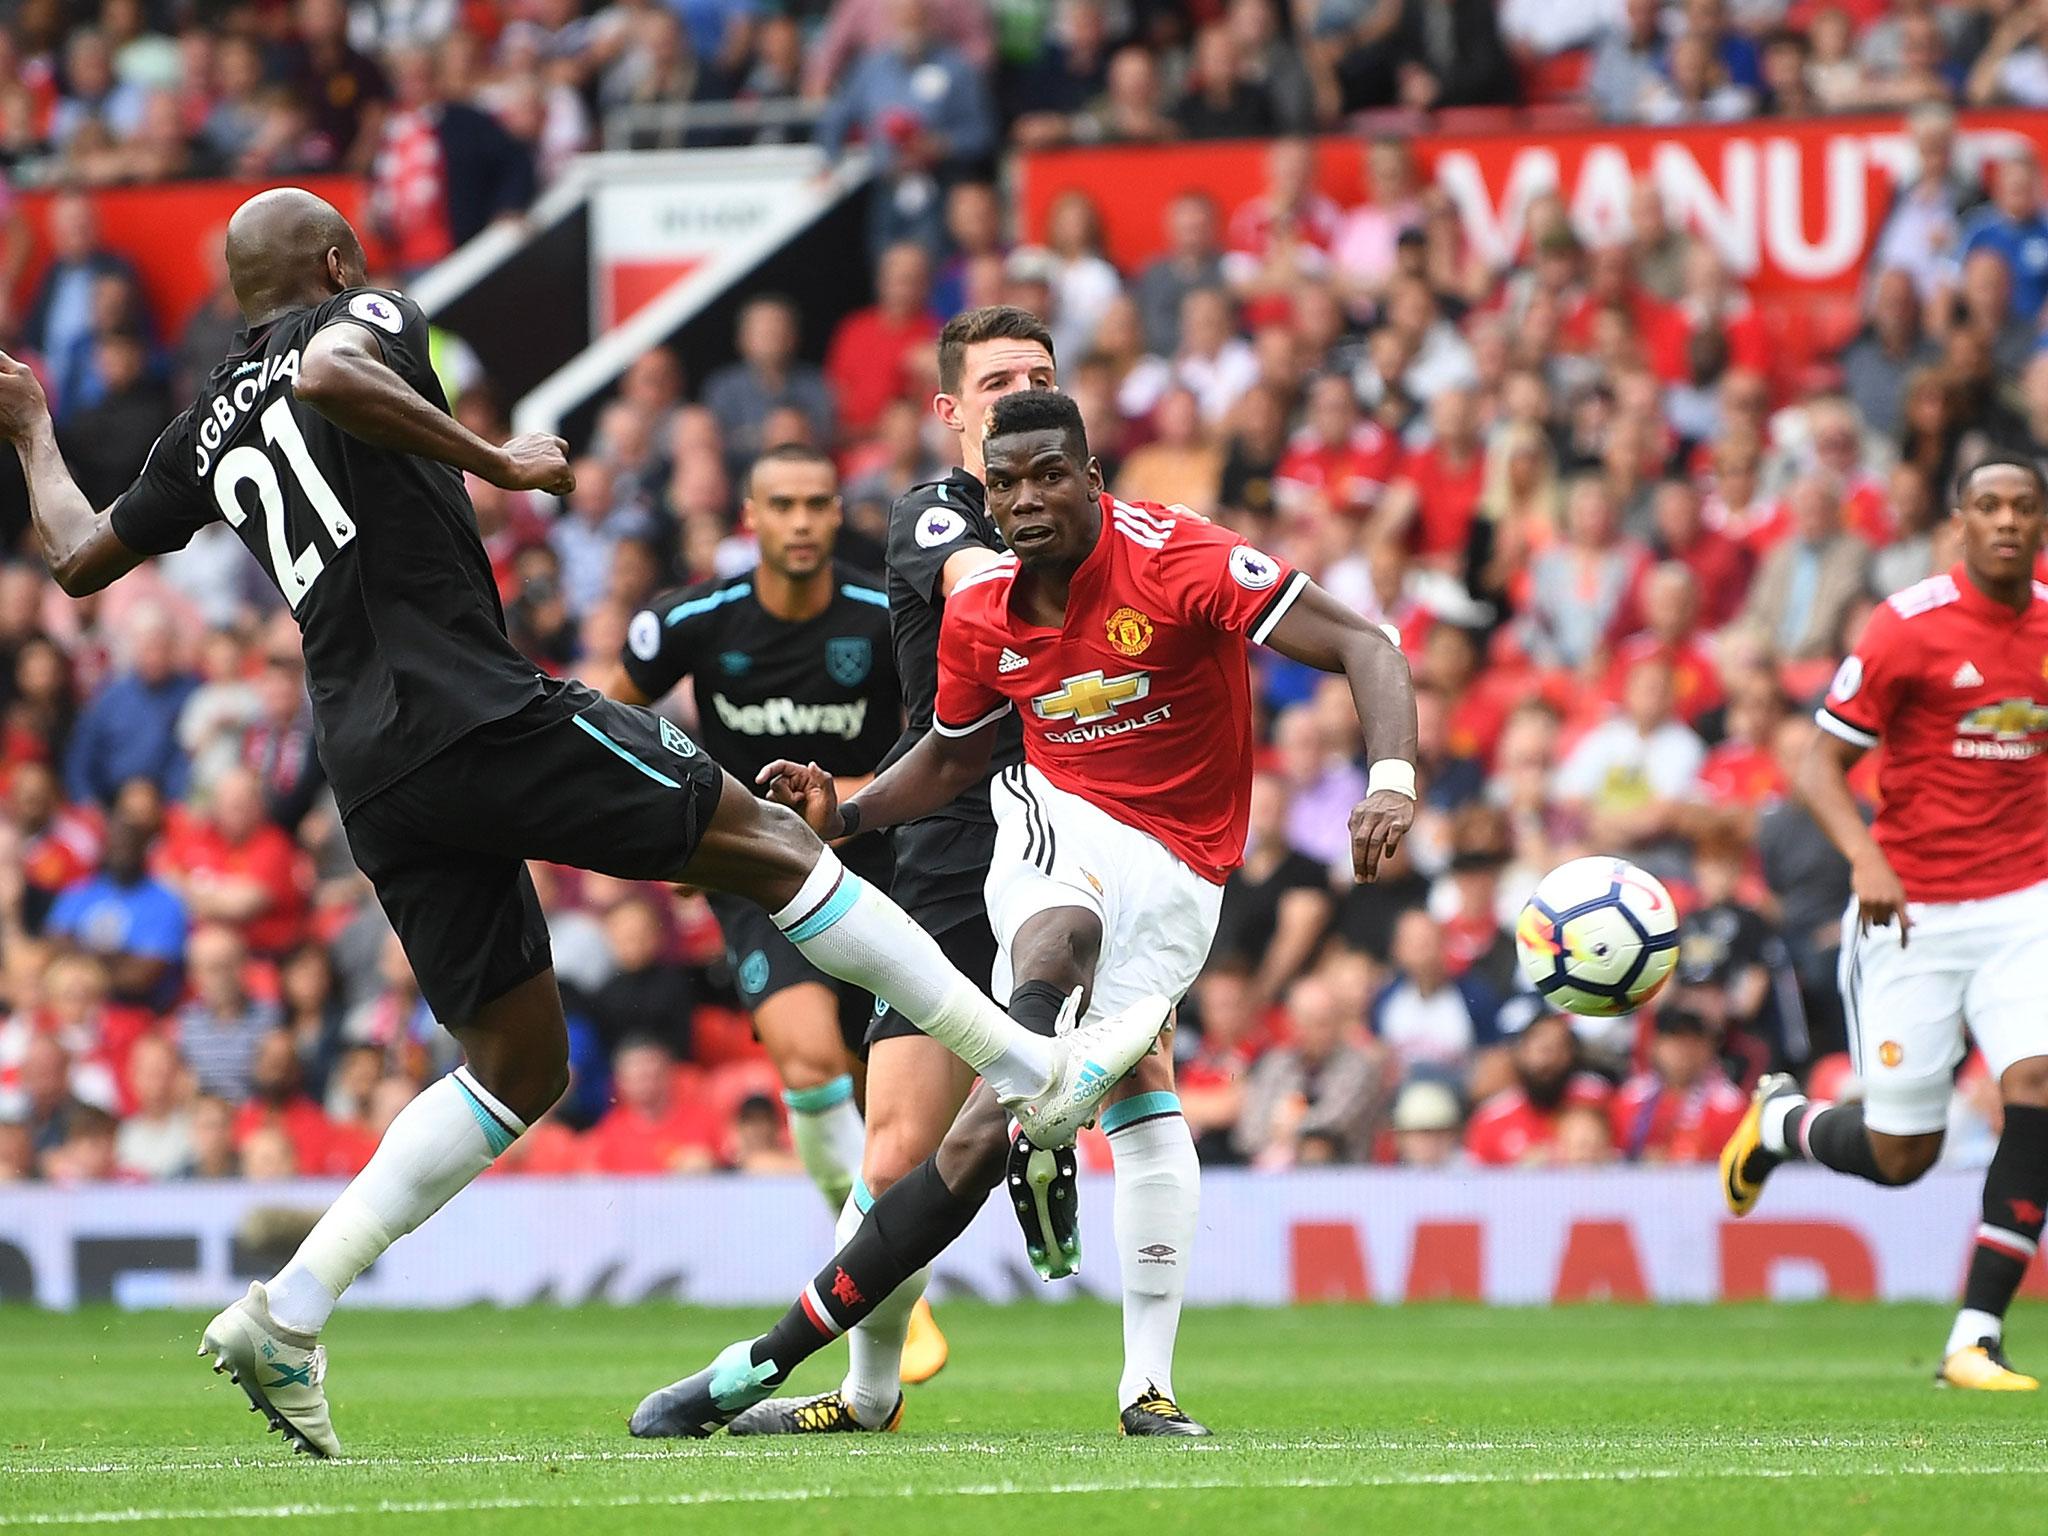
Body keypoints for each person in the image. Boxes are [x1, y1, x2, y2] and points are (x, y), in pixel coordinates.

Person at [0, 190, 1163, 1457]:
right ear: (338, 262)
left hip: (371, 765)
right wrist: (497, 461)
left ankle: (290, 1310)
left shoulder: (198, 425)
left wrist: (31, 431)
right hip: (474, 708)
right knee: (777, 849)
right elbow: (336, 368)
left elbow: (77, 554)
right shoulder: (364, 313)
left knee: (519, 1065)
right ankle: (1021, 1065)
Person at [630, 388, 1417, 1440]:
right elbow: (955, 753)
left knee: (983, 1134)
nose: (1026, 499)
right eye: (1005, 483)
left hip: (1185, 875)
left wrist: (1390, 777)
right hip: (1056, 822)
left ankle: (1119, 1339)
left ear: (1092, 480)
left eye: (1050, 476)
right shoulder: (981, 608)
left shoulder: (1178, 558)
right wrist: (849, 813)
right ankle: (755, 1365)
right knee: (1055, 944)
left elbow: (1366, 643)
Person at [1723, 457, 2048, 1391]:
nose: (2006, 522)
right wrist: (1866, 855)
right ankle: (1783, 1122)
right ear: (1959, 524)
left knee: (2036, 1082)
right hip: (1914, 913)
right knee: (1904, 1155)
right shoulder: (1907, 627)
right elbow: (1820, 767)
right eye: (1988, 506)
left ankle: (1974, 1337)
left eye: (2024, 508)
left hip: (2024, 906)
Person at [603, 442, 900, 1217]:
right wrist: (669, 826)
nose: (800, 522)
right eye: (783, 505)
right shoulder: (692, 620)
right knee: (810, 1066)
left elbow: (943, 746)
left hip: (877, 868)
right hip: (762, 873)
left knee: (880, 1095)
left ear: (837, 513)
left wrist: (841, 806)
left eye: (815, 504)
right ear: (751, 516)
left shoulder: (885, 620)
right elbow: (603, 731)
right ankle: (865, 1262)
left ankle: (882, 1260)